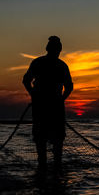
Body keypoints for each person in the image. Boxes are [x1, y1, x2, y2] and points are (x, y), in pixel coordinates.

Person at [23, 36, 73, 170]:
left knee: (43, 142)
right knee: (54, 144)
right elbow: (69, 87)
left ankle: (43, 173)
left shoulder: (38, 63)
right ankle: (54, 173)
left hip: (43, 107)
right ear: (58, 50)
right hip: (52, 108)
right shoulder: (61, 65)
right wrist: (61, 99)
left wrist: (33, 93)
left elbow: (26, 81)